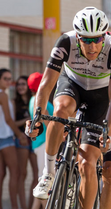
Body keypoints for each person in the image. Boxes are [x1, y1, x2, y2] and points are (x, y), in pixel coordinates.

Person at [25, 7, 111, 209]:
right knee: (60, 111)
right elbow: (45, 86)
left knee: (88, 163)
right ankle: (49, 173)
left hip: (101, 97)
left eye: (97, 39)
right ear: (77, 36)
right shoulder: (65, 42)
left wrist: (108, 133)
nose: (92, 46)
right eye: (86, 40)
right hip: (72, 85)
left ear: (104, 36)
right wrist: (37, 117)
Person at [27, 72, 54, 209]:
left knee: (42, 181)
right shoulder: (39, 99)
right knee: (44, 184)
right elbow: (46, 119)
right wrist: (57, 135)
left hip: (40, 143)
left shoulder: (34, 99)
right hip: (45, 143)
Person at [0, 68, 23, 209]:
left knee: (1, 175)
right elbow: (8, 119)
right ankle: (15, 207)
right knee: (16, 172)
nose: (9, 81)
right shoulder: (2, 95)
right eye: (5, 79)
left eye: (10, 79)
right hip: (6, 137)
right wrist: (19, 135)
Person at [13, 75, 34, 209]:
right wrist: (28, 118)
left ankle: (34, 205)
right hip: (22, 140)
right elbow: (13, 123)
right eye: (18, 84)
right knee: (23, 173)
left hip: (35, 140)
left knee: (38, 173)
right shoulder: (15, 102)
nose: (20, 86)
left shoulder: (34, 100)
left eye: (23, 84)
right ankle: (23, 206)